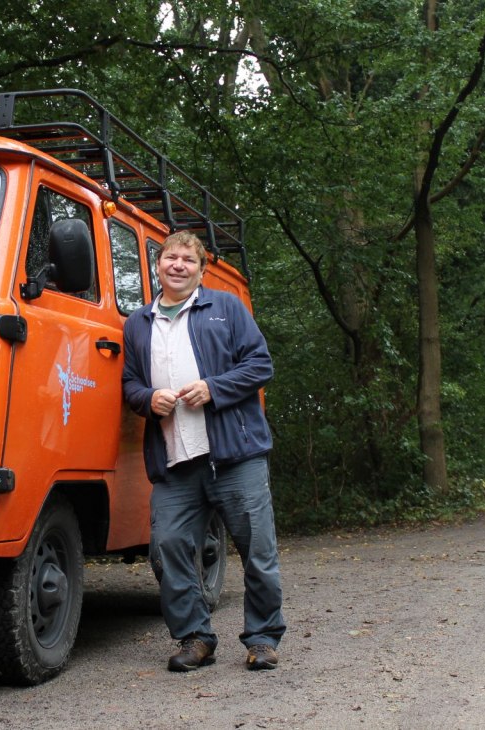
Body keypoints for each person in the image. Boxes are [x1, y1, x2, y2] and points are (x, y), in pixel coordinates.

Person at [122, 230, 286, 672]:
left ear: (200, 269)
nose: (178, 265)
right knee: (168, 546)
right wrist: (146, 398)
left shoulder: (226, 308)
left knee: (257, 550)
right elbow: (130, 384)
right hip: (175, 460)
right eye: (170, 258)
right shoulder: (137, 322)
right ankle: (196, 637)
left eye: (188, 260)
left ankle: (263, 639)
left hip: (234, 454)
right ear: (157, 266)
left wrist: (213, 389)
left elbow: (259, 364)